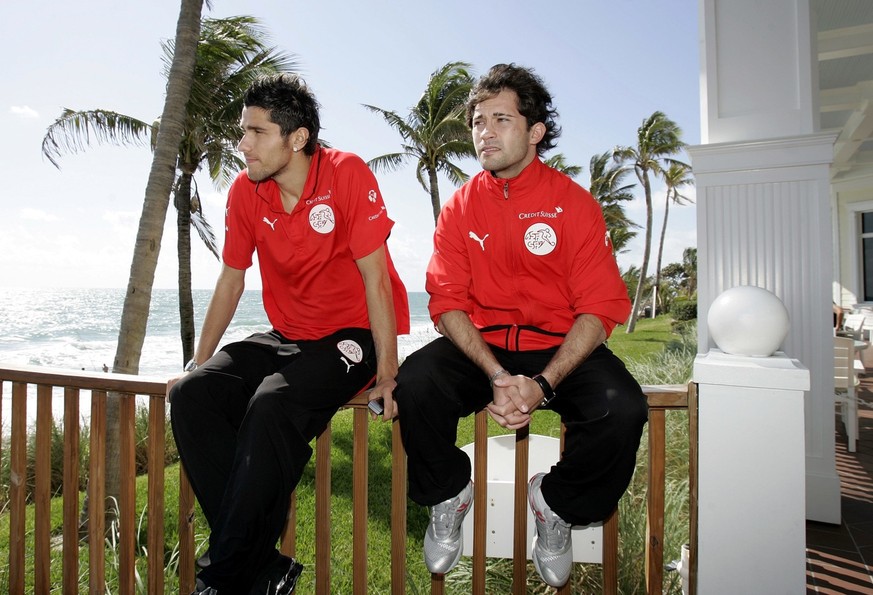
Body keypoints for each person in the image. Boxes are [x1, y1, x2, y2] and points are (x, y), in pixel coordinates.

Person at [392, 64, 648, 589]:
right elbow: (446, 302)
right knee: (416, 383)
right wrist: (493, 374)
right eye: (478, 121)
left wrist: (544, 383)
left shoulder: (573, 204)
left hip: (559, 347)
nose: (485, 131)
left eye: (501, 119)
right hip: (482, 347)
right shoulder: (461, 205)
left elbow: (599, 308)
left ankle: (554, 504)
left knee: (623, 407)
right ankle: (448, 492)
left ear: (535, 132)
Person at [168, 73, 410, 595]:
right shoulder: (245, 189)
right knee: (192, 395)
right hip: (287, 334)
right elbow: (233, 278)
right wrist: (199, 360)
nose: (242, 144)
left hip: (353, 335)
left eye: (256, 132)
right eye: (242, 131)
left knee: (272, 404)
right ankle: (260, 566)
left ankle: (225, 578)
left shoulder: (346, 173)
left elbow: (377, 278)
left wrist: (389, 373)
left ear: (296, 138)